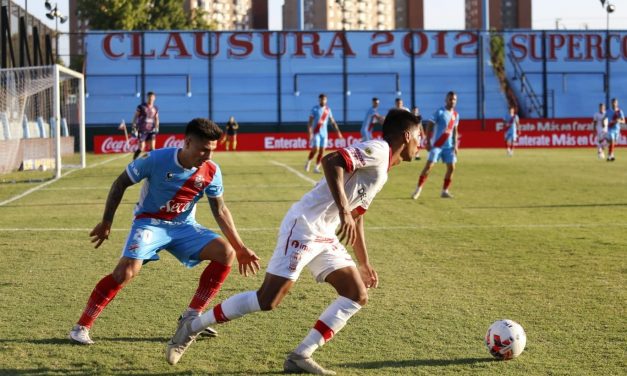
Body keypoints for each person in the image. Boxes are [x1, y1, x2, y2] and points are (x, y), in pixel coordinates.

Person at [165, 109, 423, 374]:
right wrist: (343, 209)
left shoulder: (383, 170)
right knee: (268, 300)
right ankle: (191, 327)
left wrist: (364, 262)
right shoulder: (379, 150)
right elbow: (332, 160)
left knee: (356, 294)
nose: (421, 142)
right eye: (419, 135)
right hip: (304, 226)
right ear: (407, 135)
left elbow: (356, 218)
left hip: (325, 233)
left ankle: (301, 355)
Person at [68, 118, 260, 345]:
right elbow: (120, 183)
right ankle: (81, 327)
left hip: (184, 226)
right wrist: (106, 222)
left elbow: (220, 209)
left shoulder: (211, 171)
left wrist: (239, 247)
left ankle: (191, 318)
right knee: (126, 272)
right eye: (203, 150)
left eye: (212, 151)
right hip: (150, 223)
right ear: (187, 142)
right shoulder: (156, 159)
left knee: (225, 253)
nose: (208, 157)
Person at [411, 91, 460, 200]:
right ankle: (417, 190)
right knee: (428, 167)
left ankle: (445, 191)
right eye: (450, 99)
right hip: (437, 145)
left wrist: (455, 145)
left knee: (451, 168)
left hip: (449, 147)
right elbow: (429, 125)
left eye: (454, 99)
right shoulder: (440, 112)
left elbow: (455, 130)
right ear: (446, 100)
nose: (452, 101)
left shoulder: (456, 115)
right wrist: (428, 142)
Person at [305, 94, 343, 173]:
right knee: (316, 149)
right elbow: (310, 121)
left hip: (324, 134)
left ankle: (316, 167)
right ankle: (308, 162)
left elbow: (332, 122)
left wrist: (338, 132)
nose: (323, 101)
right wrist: (310, 130)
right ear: (319, 100)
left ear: (326, 100)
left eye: (324, 99)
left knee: (322, 151)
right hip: (316, 132)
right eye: (321, 99)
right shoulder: (315, 109)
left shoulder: (328, 110)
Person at [132, 91, 160, 160]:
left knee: (152, 148)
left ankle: (152, 161)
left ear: (154, 98)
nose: (151, 99)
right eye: (149, 97)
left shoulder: (155, 108)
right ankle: (134, 159)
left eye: (152, 97)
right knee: (141, 148)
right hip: (142, 129)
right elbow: (135, 117)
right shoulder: (141, 107)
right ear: (147, 97)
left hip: (151, 130)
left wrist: (157, 127)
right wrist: (134, 127)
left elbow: (156, 118)